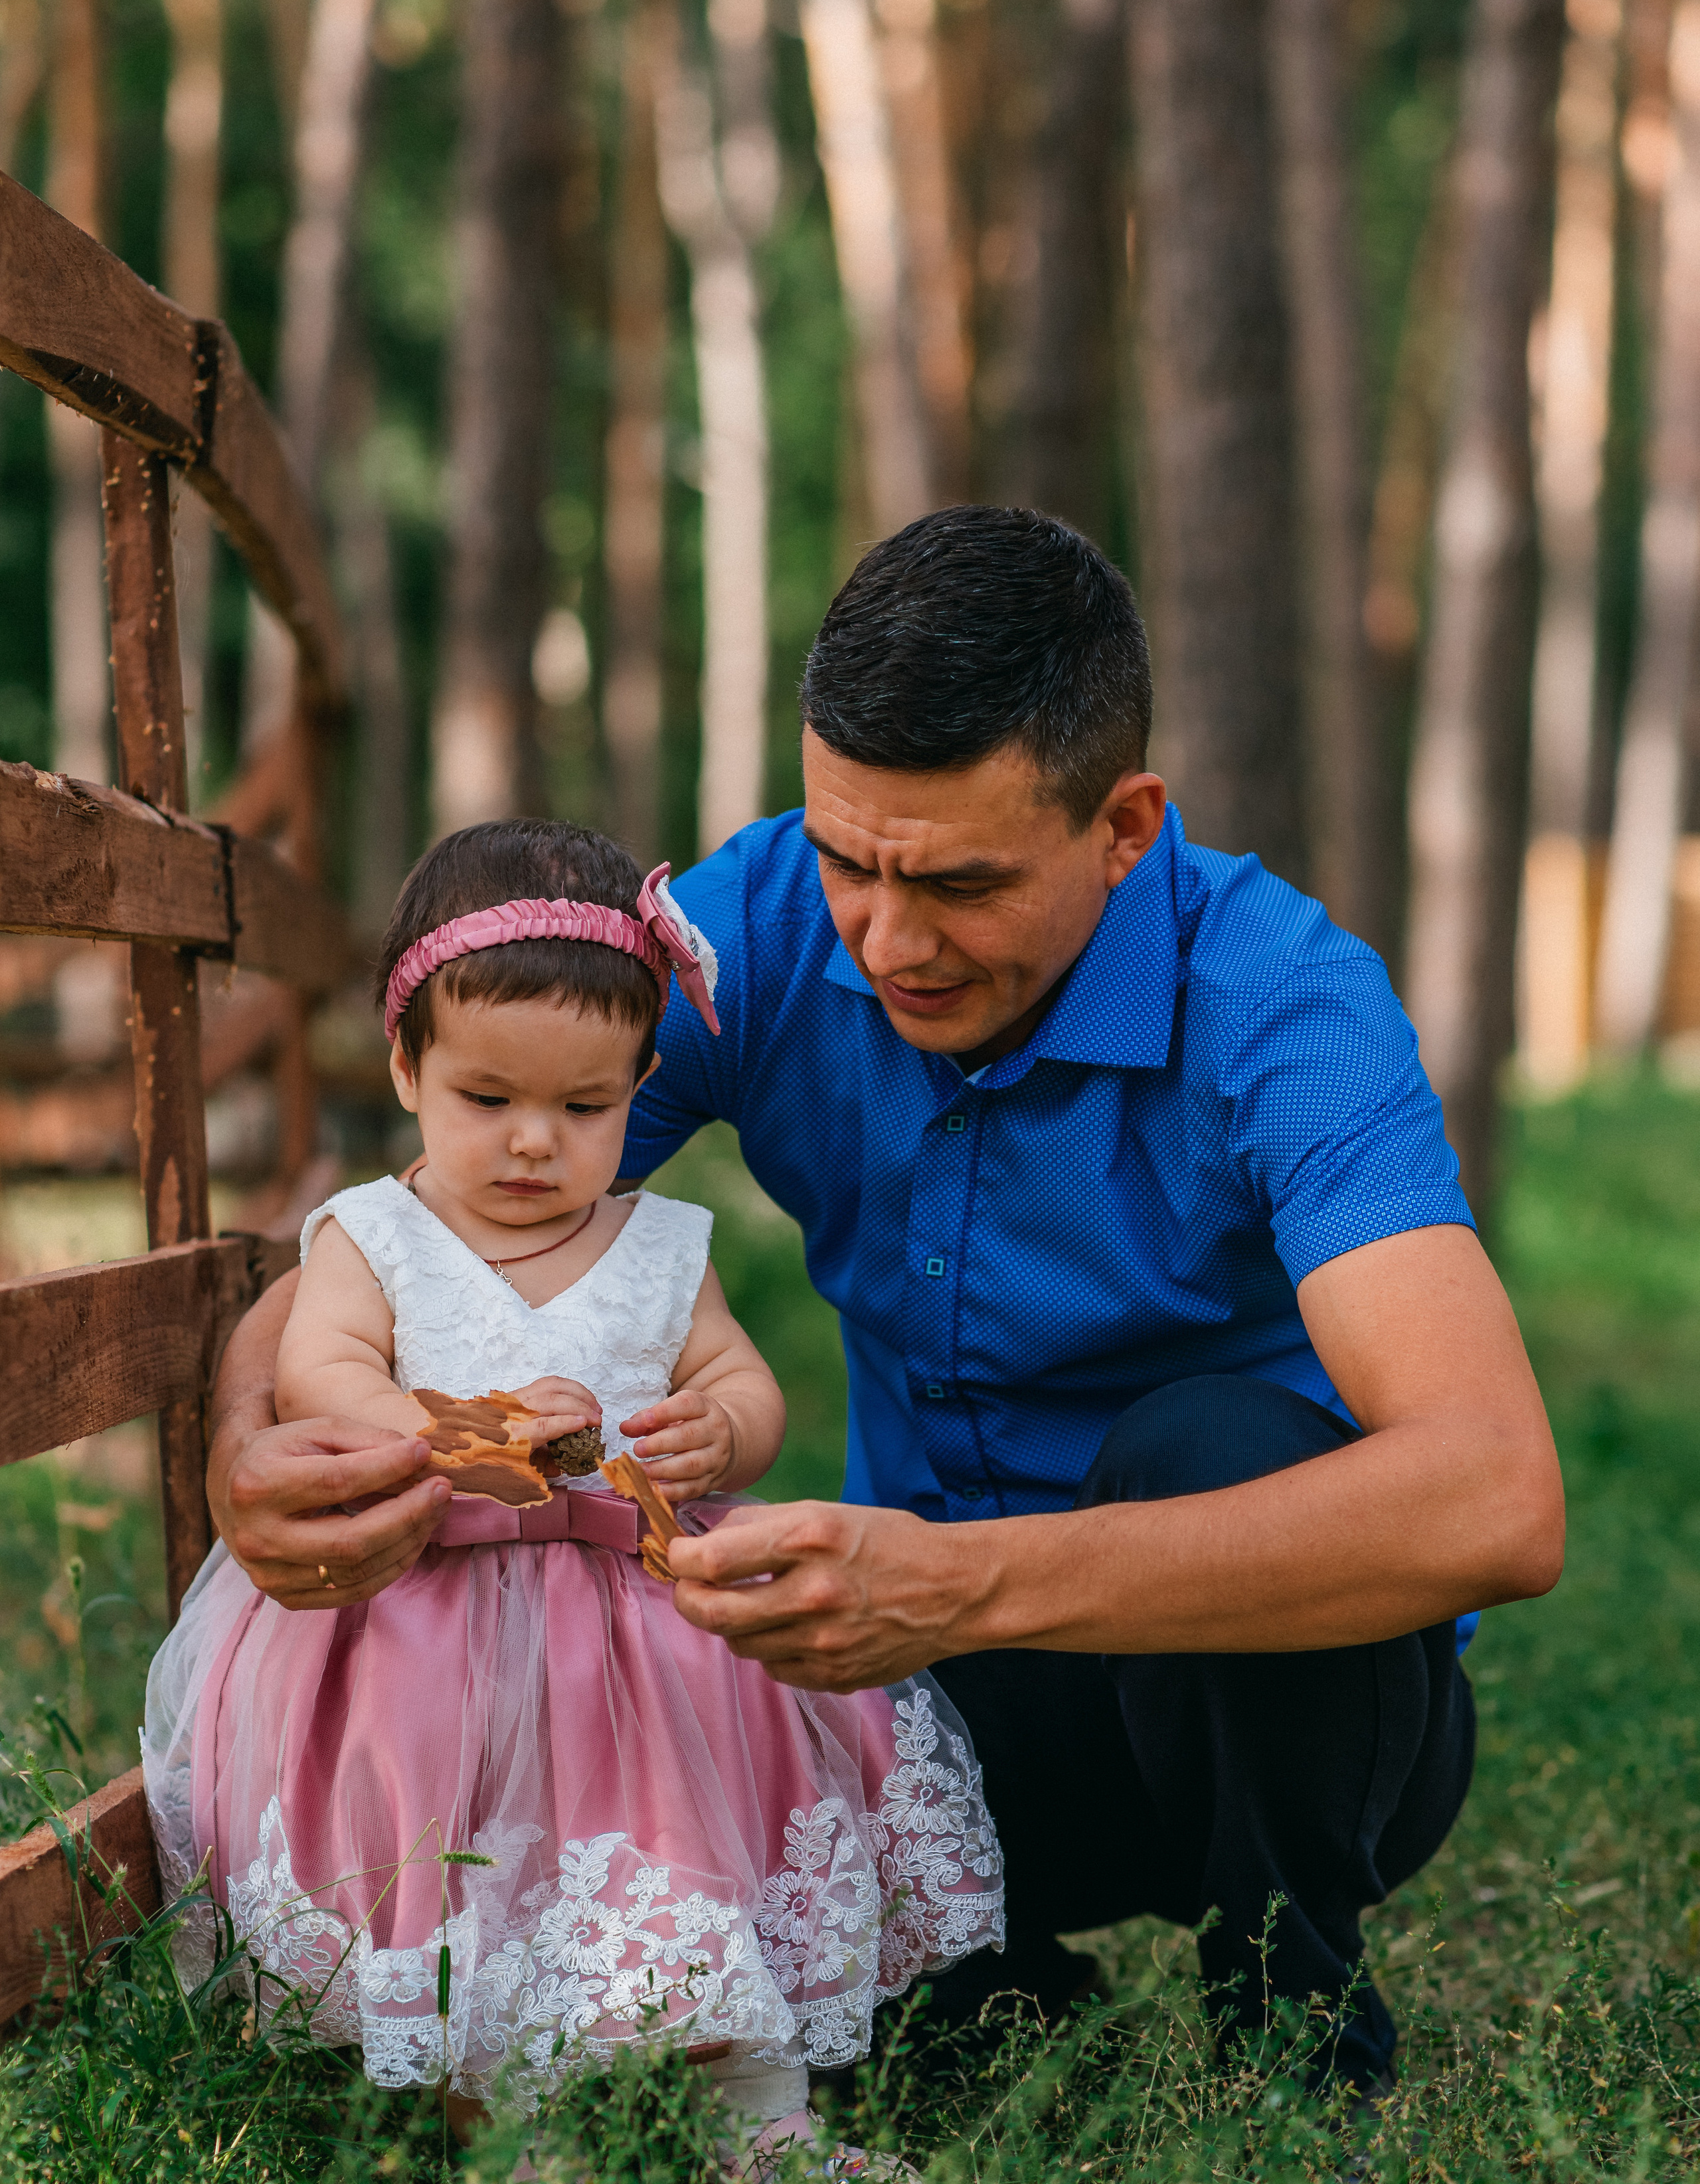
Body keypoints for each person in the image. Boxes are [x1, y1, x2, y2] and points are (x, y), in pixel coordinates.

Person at [203, 508, 1564, 2098]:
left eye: (962, 884)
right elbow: (414, 1226)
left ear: (1123, 826)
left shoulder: (1281, 1000)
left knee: (1216, 1439)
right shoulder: (757, 925)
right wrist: (251, 1429)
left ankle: (1287, 2018)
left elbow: (1493, 1498)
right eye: (848, 856)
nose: (888, 939)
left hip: (1269, 1712)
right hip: (916, 1712)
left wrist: (963, 1584)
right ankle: (980, 1982)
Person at [142, 818, 1003, 2173]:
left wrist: (710, 1433)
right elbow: (322, 1372)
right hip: (432, 1624)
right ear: (407, 1068)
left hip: (647, 1632)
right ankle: (522, 2146)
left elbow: (745, 1386)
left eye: (585, 1108)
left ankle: (765, 2127)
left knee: (695, 1862)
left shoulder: (658, 1243)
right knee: (483, 1887)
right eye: (487, 1100)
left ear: (641, 1083)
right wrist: (471, 1430)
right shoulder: (372, 1235)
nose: (534, 1144)